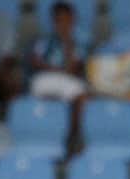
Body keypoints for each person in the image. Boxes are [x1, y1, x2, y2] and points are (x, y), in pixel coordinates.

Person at [30, 1, 88, 154]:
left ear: (72, 20)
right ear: (53, 21)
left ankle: (70, 136)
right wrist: (55, 69)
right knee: (40, 89)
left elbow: (72, 69)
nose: (62, 24)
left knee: (81, 95)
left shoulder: (79, 41)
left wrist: (66, 41)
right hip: (46, 78)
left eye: (66, 20)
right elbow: (35, 62)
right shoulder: (44, 40)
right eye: (58, 20)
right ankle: (46, 137)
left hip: (67, 80)